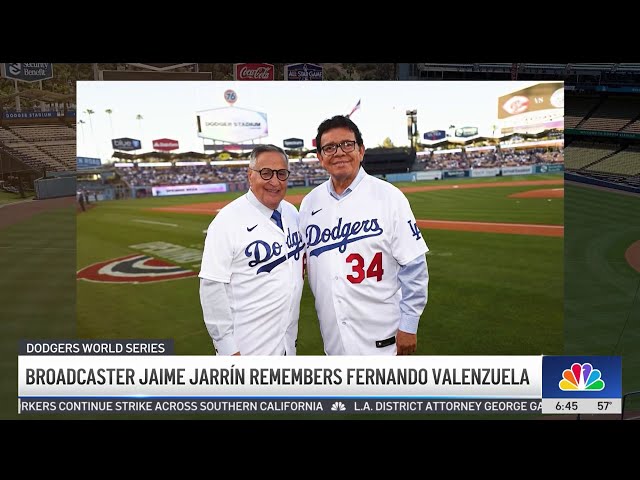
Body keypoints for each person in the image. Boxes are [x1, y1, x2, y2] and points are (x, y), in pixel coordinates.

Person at [299, 115, 429, 356]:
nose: (339, 152)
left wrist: (409, 325)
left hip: (384, 343)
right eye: (329, 147)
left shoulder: (389, 197)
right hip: (334, 342)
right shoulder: (309, 204)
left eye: (347, 144)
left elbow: (415, 265)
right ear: (319, 157)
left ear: (361, 150)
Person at [199, 144, 305, 355]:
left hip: (287, 345)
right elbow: (212, 287)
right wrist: (228, 350)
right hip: (247, 351)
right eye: (266, 173)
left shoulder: (292, 213)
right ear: (250, 176)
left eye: (282, 174)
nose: (275, 182)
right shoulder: (227, 221)